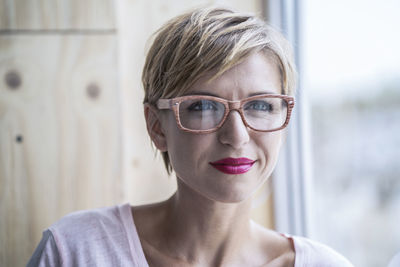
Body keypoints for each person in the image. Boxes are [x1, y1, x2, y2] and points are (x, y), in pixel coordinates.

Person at [28, 6, 354, 267]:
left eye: (260, 105)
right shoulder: (75, 251)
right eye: (202, 106)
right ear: (157, 127)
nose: (237, 136)